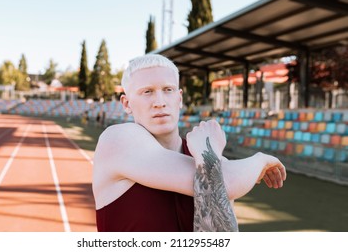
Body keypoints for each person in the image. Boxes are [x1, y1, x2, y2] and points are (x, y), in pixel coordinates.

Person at [92, 54, 286, 232]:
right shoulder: (117, 139)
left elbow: (219, 236)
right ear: (126, 104)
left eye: (168, 90)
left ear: (180, 98)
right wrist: (260, 159)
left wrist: (207, 155)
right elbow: (230, 183)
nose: (159, 101)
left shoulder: (208, 158)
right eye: (147, 92)